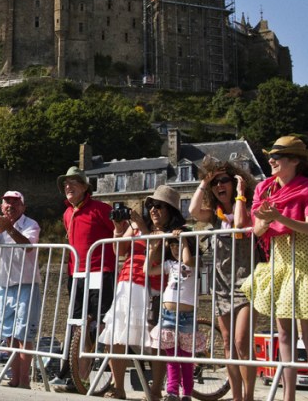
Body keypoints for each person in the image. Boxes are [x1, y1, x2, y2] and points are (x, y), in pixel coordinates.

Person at [240, 135, 308, 401]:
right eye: (271, 156)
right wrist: (265, 221)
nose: (271, 160)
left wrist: (279, 217)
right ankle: (289, 395)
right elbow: (257, 229)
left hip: (305, 259)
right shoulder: (264, 188)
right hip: (280, 259)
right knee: (283, 332)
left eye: (277, 156)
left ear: (295, 160)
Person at [98, 186, 178, 401]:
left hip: (153, 285)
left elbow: (159, 253)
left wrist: (141, 227)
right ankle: (118, 387)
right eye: (150, 205)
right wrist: (118, 228)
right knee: (116, 333)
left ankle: (154, 391)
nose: (153, 210)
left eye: (159, 206)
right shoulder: (139, 227)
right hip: (126, 280)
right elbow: (120, 251)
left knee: (155, 339)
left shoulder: (175, 231)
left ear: (170, 210)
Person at [187, 157, 257, 401]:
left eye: (223, 180)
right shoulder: (215, 216)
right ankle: (236, 396)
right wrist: (204, 183)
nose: (219, 186)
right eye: (215, 182)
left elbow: (240, 223)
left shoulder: (249, 209)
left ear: (237, 181)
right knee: (228, 343)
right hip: (221, 286)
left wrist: (240, 194)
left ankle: (248, 397)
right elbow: (192, 211)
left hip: (247, 284)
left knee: (241, 343)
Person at [52, 166, 117, 393]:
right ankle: (72, 374)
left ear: (84, 187)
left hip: (101, 272)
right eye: (65, 184)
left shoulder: (101, 209)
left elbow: (121, 230)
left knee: (95, 324)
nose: (68, 187)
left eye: (73, 183)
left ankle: (86, 374)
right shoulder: (67, 213)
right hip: (76, 275)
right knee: (76, 323)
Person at [0, 191, 41, 389]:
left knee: (24, 335)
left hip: (25, 284)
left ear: (23, 207)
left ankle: (25, 379)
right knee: (9, 335)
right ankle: (14, 377)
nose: (10, 205)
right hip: (2, 285)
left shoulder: (31, 224)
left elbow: (28, 246)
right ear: (2, 206)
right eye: (6, 202)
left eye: (15, 202)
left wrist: (9, 229)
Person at [146, 229, 204, 401]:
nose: (175, 249)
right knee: (171, 358)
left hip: (186, 316)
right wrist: (153, 249)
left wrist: (184, 240)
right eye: (172, 246)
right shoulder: (169, 264)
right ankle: (172, 392)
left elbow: (186, 259)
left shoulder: (195, 261)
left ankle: (186, 392)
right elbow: (147, 270)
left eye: (177, 245)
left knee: (186, 359)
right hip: (168, 314)